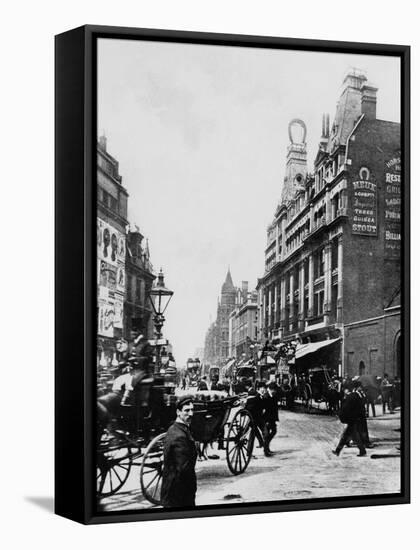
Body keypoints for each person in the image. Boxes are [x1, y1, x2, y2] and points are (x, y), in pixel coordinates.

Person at [161, 396, 197, 508]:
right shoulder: (180, 436)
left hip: (173, 491)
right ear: (178, 412)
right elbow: (184, 469)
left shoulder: (174, 429)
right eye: (186, 410)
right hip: (179, 495)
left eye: (192, 410)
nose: (190, 414)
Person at [332, 380, 367, 457]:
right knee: (348, 435)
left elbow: (349, 408)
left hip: (352, 419)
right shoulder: (356, 395)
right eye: (360, 387)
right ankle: (338, 451)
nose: (361, 388)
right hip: (353, 419)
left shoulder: (354, 395)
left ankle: (362, 450)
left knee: (350, 436)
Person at [263, 381, 279, 456]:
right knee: (266, 435)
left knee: (274, 431)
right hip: (266, 419)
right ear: (269, 389)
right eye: (273, 390)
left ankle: (266, 446)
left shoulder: (274, 396)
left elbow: (275, 409)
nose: (274, 391)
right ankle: (266, 450)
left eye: (275, 390)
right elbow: (264, 410)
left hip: (272, 418)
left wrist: (276, 419)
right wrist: (266, 420)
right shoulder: (265, 396)